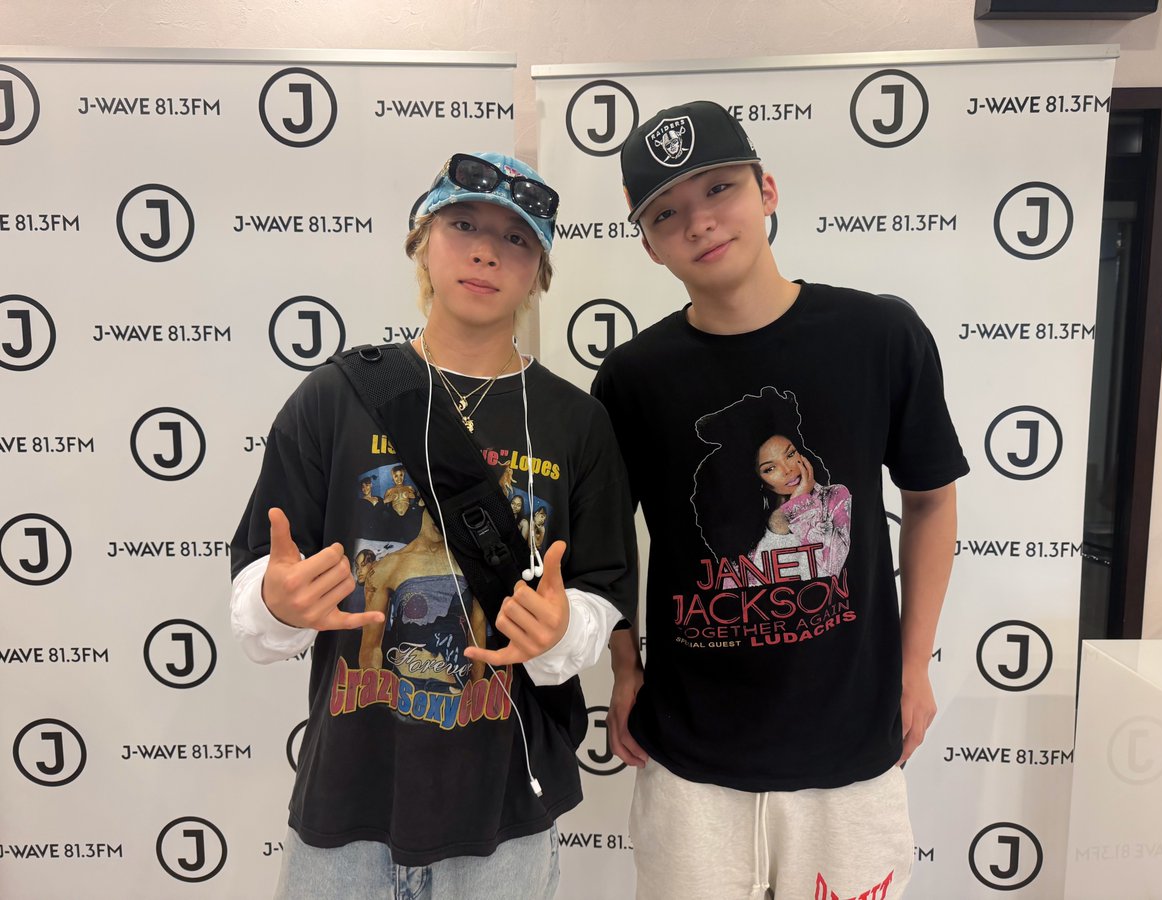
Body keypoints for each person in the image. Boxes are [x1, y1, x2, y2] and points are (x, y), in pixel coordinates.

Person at [230, 151, 637, 900]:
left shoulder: (577, 423)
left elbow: (603, 589)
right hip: (347, 801)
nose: (486, 252)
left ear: (540, 272)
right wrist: (275, 603)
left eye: (516, 238)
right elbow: (260, 574)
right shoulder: (336, 397)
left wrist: (562, 629)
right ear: (422, 242)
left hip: (504, 813)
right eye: (463, 226)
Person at [592, 101, 969, 900]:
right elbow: (604, 539)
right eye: (666, 213)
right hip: (691, 760)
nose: (699, 222)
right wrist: (624, 668)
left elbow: (931, 499)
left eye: (718, 188)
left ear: (766, 189)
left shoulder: (877, 335)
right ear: (649, 243)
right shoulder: (632, 379)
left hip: (851, 753)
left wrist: (914, 667)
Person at [693, 386, 852, 584]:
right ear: (756, 479)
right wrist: (777, 523)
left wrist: (798, 507)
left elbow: (832, 569)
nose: (788, 470)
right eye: (769, 468)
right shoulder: (745, 527)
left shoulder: (834, 497)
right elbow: (734, 588)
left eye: (790, 454)